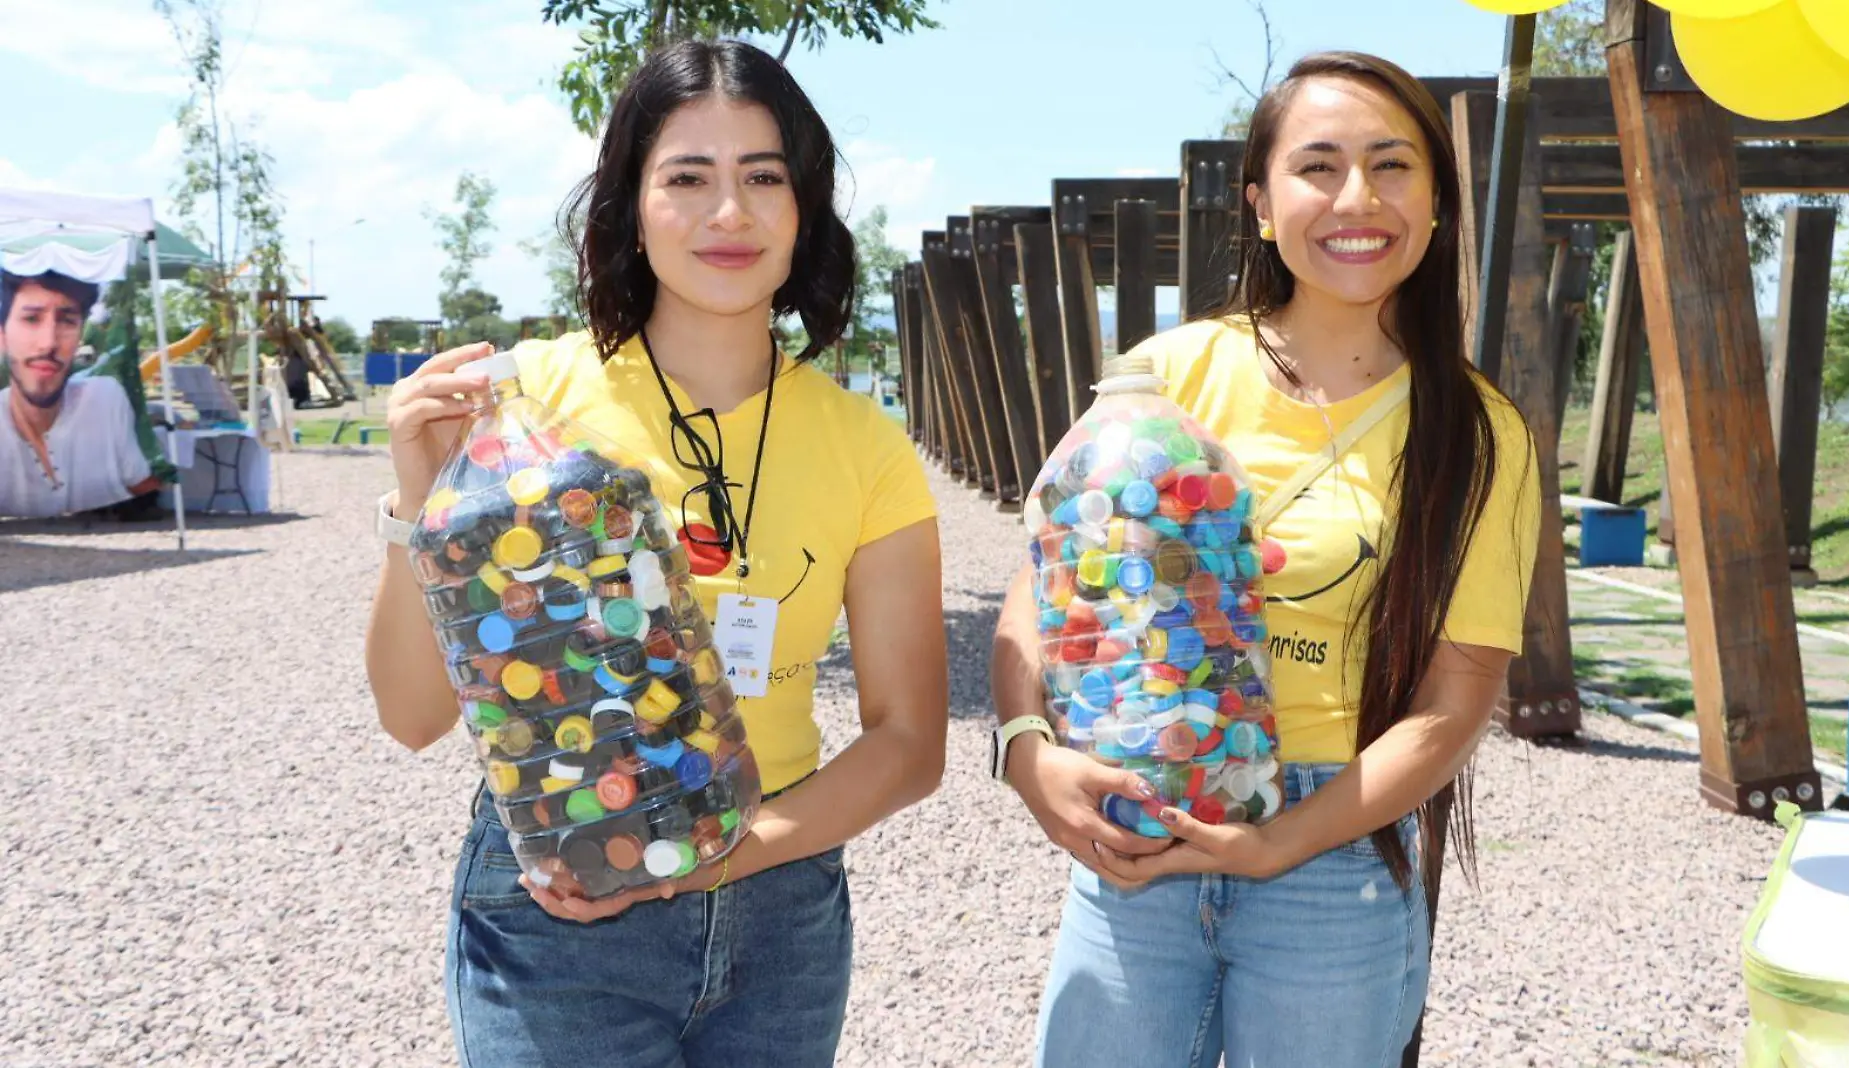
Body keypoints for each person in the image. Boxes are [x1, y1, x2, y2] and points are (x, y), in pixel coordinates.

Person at [363, 38, 948, 1068]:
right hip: (559, 909)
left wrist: (711, 864)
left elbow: (910, 743)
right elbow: (414, 718)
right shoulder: (523, 402)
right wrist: (423, 497)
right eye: (687, 177)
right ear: (630, 202)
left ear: (805, 204)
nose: (730, 214)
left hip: (782, 908)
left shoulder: (866, 444)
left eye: (763, 177)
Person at [990, 51, 1543, 1068]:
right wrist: (1028, 751)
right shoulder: (1168, 374)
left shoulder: (1478, 430)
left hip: (1334, 855)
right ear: (1257, 202)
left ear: (1436, 203)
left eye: (1391, 166)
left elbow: (1452, 702)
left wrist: (1280, 839)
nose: (1356, 199)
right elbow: (1042, 593)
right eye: (1317, 166)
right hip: (1138, 824)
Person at [0, 269, 159, 518]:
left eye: (67, 321)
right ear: (2, 335)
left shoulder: (105, 399)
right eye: (31, 319)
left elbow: (139, 480)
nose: (49, 343)